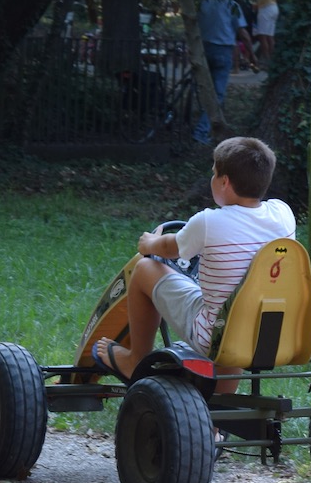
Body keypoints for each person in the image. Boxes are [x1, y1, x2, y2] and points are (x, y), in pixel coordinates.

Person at [91, 136, 294, 392]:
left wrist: (150, 243)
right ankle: (219, 418)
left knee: (144, 270)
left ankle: (135, 359)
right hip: (272, 334)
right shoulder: (283, 214)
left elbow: (169, 248)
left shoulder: (208, 222)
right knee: (237, 310)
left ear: (224, 182)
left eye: (214, 173)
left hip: (215, 335)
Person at [194, 0, 250, 143]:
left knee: (203, 88)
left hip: (203, 49)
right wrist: (251, 55)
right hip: (223, 50)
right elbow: (243, 33)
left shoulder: (204, 2)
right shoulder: (232, 5)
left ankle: (207, 123)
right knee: (217, 94)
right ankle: (201, 131)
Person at [252, 0, 278, 65]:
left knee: (262, 36)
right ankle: (272, 61)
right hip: (274, 6)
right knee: (270, 36)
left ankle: (266, 62)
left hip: (265, 7)